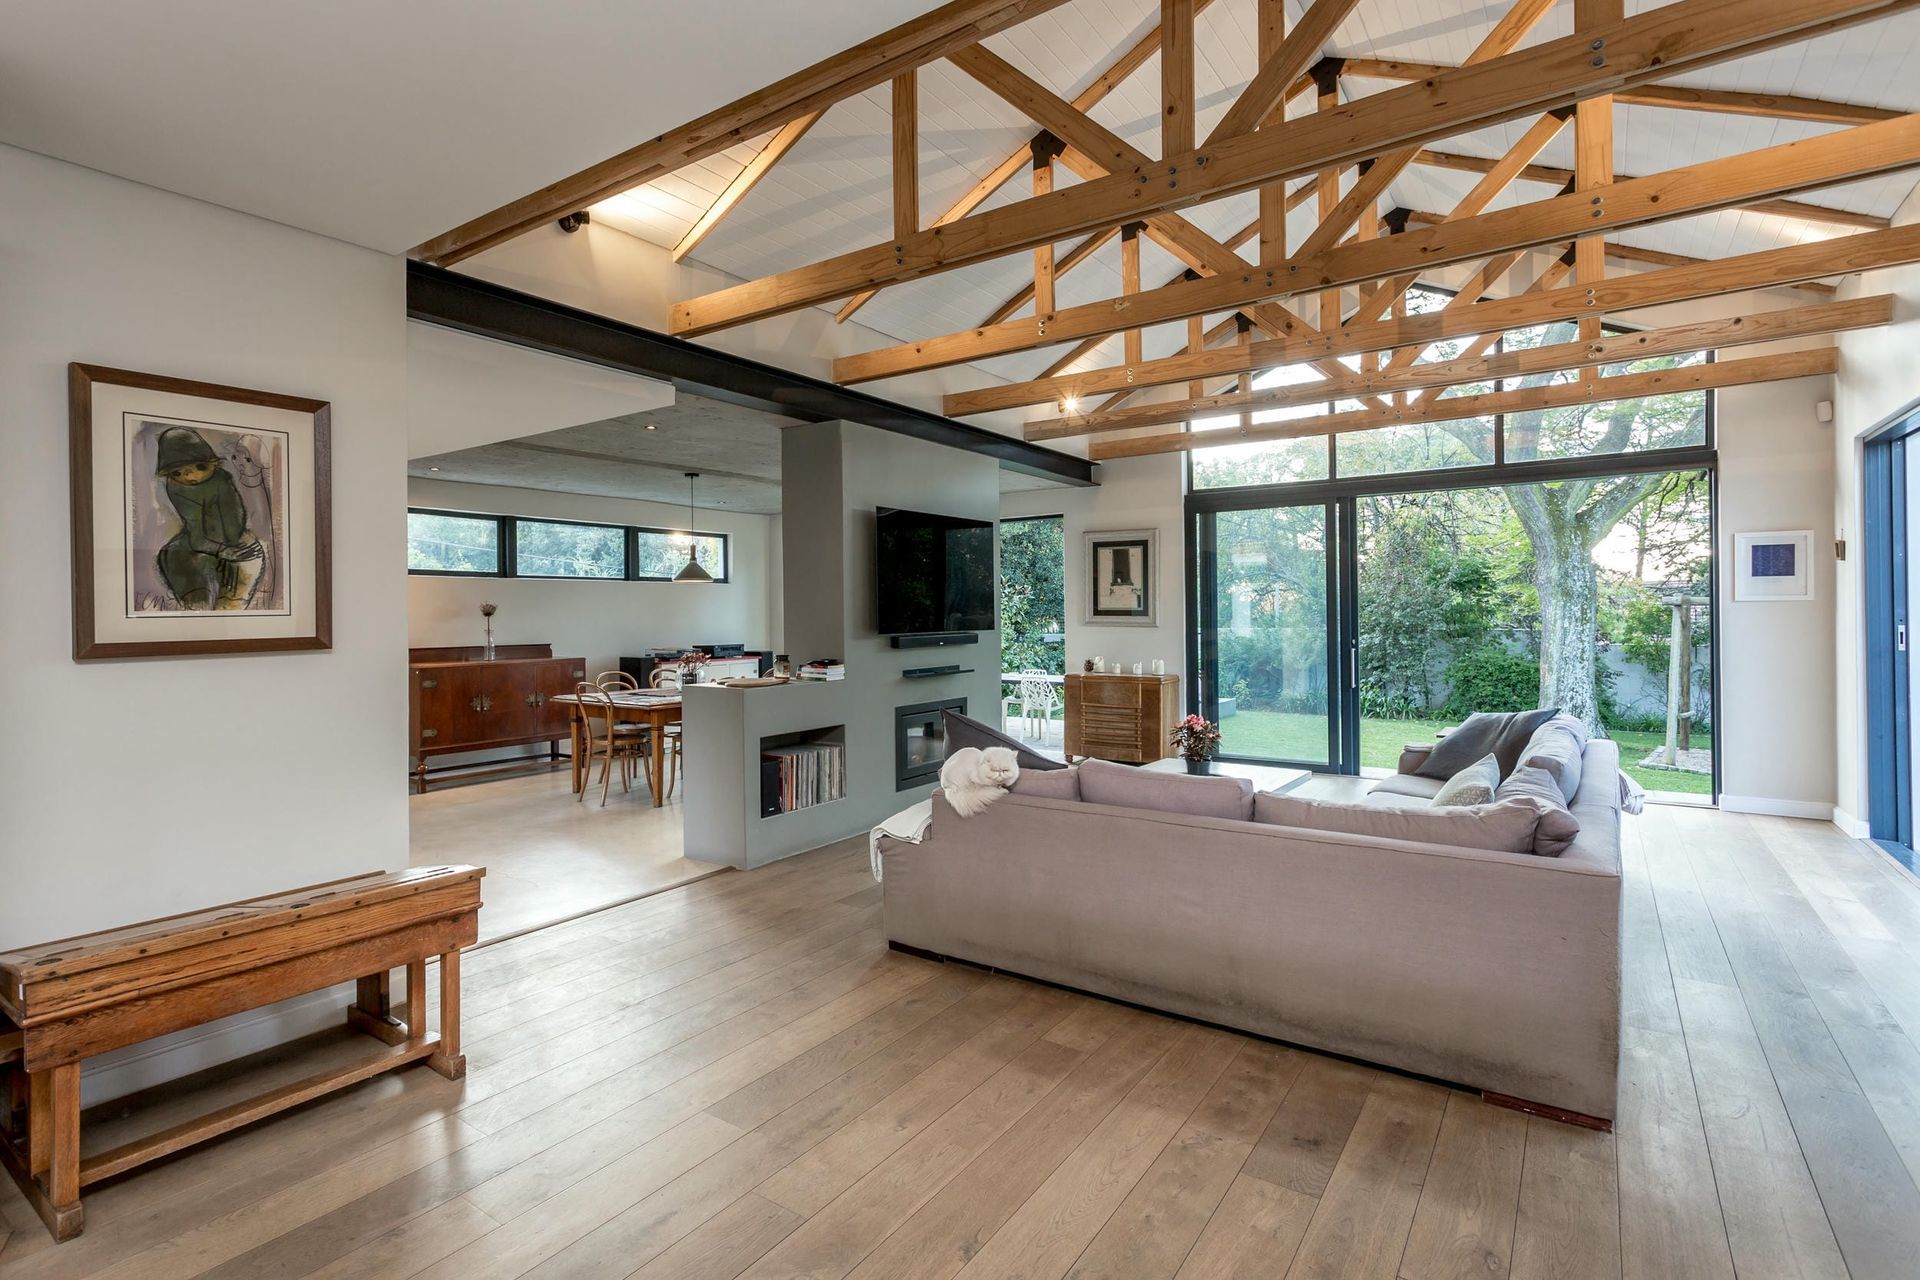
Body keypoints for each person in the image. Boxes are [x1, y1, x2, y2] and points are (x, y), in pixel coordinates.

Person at [153, 426, 264, 610]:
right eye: (177, 473)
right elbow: (195, 525)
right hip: (198, 542)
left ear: (213, 464)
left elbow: (234, 514)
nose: (190, 476)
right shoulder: (176, 488)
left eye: (200, 467)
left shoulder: (222, 478)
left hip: (234, 542)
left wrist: (230, 543)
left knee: (232, 599)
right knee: (176, 560)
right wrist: (218, 549)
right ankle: (199, 608)